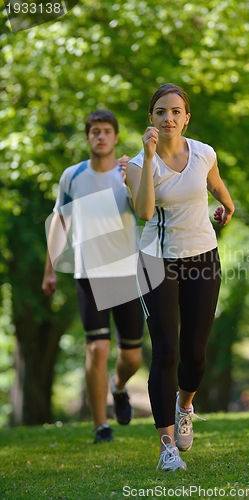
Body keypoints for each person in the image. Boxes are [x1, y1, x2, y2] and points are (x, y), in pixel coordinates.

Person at [126, 83, 234, 471]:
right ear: (151, 119)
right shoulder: (140, 164)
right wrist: (151, 155)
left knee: (195, 353)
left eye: (175, 111)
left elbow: (214, 183)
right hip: (156, 261)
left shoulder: (204, 152)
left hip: (203, 257)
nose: (168, 118)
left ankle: (185, 405)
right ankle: (167, 447)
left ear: (186, 118)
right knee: (167, 350)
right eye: (160, 112)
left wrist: (227, 204)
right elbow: (143, 210)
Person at [42, 110, 144, 444]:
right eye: (94, 132)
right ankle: (101, 426)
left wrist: (133, 176)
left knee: (132, 357)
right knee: (97, 349)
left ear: (115, 138)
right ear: (88, 138)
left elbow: (146, 209)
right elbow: (60, 221)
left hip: (127, 273)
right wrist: (50, 269)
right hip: (89, 274)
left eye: (106, 132)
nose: (100, 137)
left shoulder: (127, 173)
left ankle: (119, 386)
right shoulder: (72, 176)